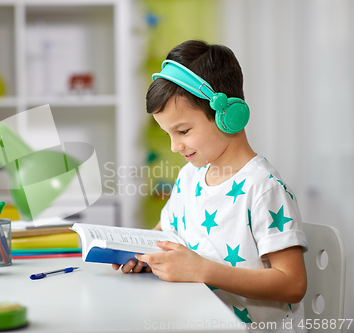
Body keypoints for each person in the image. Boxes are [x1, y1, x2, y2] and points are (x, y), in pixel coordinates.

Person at [112, 40, 308, 332]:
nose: (175, 146)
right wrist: (137, 253)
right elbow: (164, 233)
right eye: (168, 133)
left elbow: (293, 284)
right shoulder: (190, 177)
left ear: (228, 116)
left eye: (183, 131)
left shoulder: (263, 188)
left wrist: (202, 269)